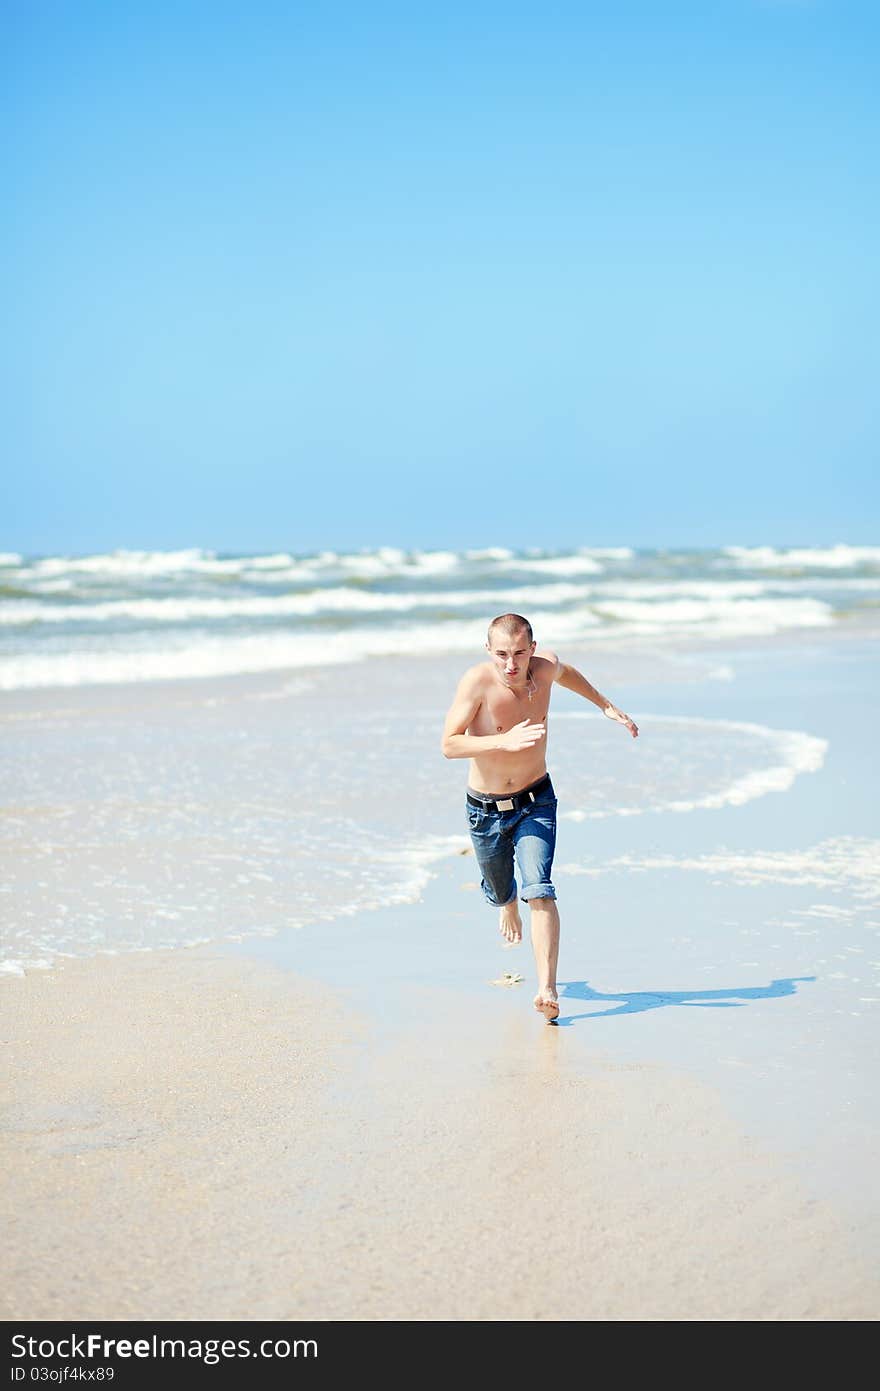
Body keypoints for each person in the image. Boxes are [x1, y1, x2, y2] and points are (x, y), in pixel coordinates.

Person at [441, 613, 638, 1021]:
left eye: (518, 654)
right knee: (500, 889)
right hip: (486, 810)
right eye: (501, 655)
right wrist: (503, 740)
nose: (510, 665)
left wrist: (606, 706)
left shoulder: (543, 669)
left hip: (537, 800)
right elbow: (449, 744)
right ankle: (506, 901)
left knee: (541, 888)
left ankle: (547, 988)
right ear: (488, 651)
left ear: (532, 649)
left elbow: (568, 675)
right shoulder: (477, 682)